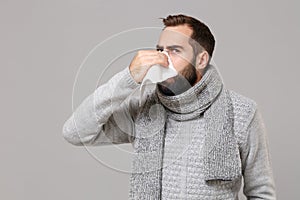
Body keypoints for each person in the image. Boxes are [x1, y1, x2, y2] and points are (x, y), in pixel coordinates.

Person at [62, 14, 276, 199]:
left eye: (174, 51)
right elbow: (75, 132)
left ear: (201, 60)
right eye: (159, 50)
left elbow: (261, 193)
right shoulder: (143, 109)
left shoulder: (242, 112)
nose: (162, 60)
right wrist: (128, 79)